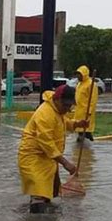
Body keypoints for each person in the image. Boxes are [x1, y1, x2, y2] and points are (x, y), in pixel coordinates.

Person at [18, 85, 89, 213]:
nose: (68, 109)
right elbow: (47, 143)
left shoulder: (56, 111)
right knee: (39, 193)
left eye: (70, 106)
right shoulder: (45, 114)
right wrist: (65, 163)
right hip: (34, 157)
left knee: (49, 192)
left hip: (47, 158)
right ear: (57, 100)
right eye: (65, 105)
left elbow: (62, 122)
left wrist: (76, 124)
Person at [74, 65, 98, 142]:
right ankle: (85, 139)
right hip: (79, 110)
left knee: (84, 128)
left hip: (86, 111)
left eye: (79, 74)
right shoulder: (79, 84)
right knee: (78, 127)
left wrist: (90, 110)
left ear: (84, 74)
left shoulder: (91, 84)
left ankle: (84, 141)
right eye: (77, 74)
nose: (77, 76)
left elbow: (93, 99)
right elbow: (77, 96)